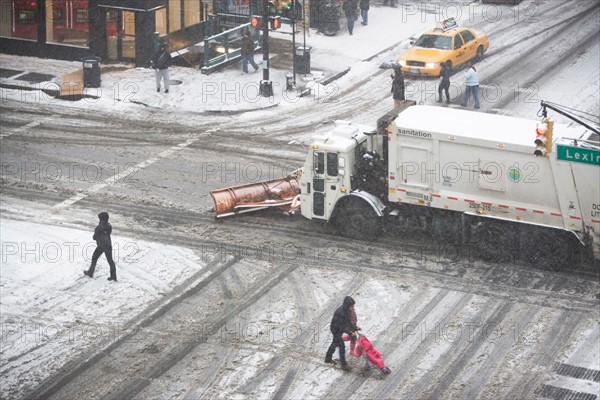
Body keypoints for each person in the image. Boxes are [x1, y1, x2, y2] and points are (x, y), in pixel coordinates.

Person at [325, 296, 358, 371]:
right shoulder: (340, 312)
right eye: (351, 306)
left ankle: (328, 358)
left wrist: (354, 327)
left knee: (334, 343)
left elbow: (348, 322)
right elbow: (342, 326)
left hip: (339, 329)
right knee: (342, 346)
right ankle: (344, 365)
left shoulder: (347, 311)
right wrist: (350, 332)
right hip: (336, 329)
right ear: (347, 306)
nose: (353, 308)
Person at [84, 212, 117, 281]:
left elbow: (94, 237)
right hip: (108, 246)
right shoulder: (109, 226)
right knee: (110, 261)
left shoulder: (98, 228)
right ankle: (113, 276)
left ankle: (90, 272)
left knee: (94, 258)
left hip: (101, 246)